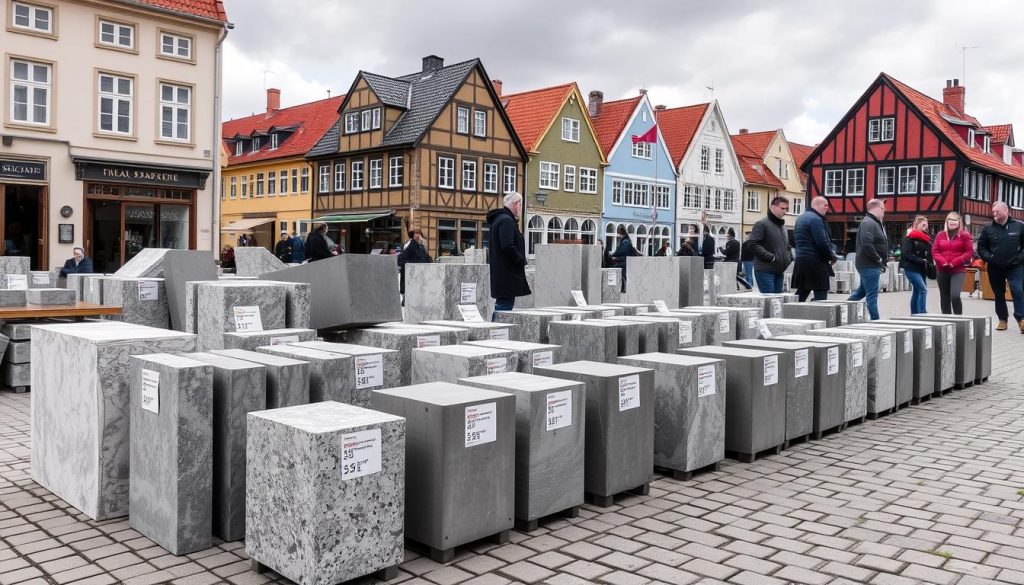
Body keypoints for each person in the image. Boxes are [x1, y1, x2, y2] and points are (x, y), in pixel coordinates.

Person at [977, 201, 1024, 332]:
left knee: (1018, 290)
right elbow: (981, 247)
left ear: (1006, 211)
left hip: (1015, 266)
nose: (995, 214)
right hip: (995, 267)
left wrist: (1020, 258)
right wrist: (990, 258)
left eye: (997, 211)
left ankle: (1022, 319)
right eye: (993, 212)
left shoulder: (1019, 226)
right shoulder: (988, 229)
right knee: (998, 294)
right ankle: (1003, 320)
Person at [487, 193, 530, 319]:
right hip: (507, 273)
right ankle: (496, 333)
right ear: (515, 204)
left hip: (503, 273)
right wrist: (520, 259)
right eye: (520, 204)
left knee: (502, 305)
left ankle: (496, 332)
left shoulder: (501, 219)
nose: (521, 208)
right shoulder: (506, 220)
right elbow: (507, 246)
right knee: (503, 308)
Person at [848, 199, 889, 320]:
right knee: (872, 295)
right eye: (883, 209)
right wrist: (878, 259)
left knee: (862, 291)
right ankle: (876, 321)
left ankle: (841, 309)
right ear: (876, 208)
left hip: (869, 264)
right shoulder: (869, 223)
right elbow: (867, 244)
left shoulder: (873, 222)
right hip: (869, 264)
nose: (884, 212)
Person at [793, 196, 837, 302]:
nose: (827, 208)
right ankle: (817, 315)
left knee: (802, 291)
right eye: (825, 205)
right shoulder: (816, 219)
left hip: (802, 259)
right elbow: (822, 242)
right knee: (821, 292)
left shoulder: (801, 218)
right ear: (816, 205)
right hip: (815, 261)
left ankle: (788, 313)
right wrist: (832, 257)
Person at [748, 196, 792, 294]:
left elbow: (787, 246)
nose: (785, 211)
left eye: (786, 209)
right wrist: (771, 257)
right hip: (765, 270)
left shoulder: (782, 226)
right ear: (772, 207)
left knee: (777, 303)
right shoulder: (761, 224)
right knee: (770, 302)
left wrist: (788, 258)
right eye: (782, 208)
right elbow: (753, 244)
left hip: (779, 270)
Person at [932, 211, 973, 315]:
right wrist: (943, 261)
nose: (952, 222)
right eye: (950, 219)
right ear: (947, 221)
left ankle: (958, 320)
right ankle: (947, 321)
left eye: (955, 220)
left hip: (957, 270)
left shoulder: (965, 235)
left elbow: (969, 252)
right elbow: (935, 251)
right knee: (944, 297)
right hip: (942, 269)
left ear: (959, 222)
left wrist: (956, 261)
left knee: (955, 295)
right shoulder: (940, 235)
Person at [900, 216, 933, 315]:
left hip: (921, 268)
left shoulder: (925, 238)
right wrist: (921, 260)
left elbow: (929, 253)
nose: (925, 227)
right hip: (911, 268)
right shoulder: (910, 237)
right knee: (923, 289)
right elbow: (906, 253)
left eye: (926, 225)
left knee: (917, 291)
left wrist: (931, 263)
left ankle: (914, 314)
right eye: (923, 224)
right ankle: (922, 313)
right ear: (916, 225)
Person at [397, 226, 431, 301]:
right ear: (412, 234)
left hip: (420, 273)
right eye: (416, 233)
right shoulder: (409, 245)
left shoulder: (421, 246)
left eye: (419, 233)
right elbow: (402, 260)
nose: (418, 235)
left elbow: (425, 258)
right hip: (411, 274)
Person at [611, 225, 639, 293]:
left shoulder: (625, 241)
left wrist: (615, 256)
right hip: (623, 261)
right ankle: (623, 288)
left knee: (622, 276)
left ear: (621, 233)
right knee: (622, 275)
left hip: (623, 262)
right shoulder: (626, 240)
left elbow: (623, 252)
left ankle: (624, 289)